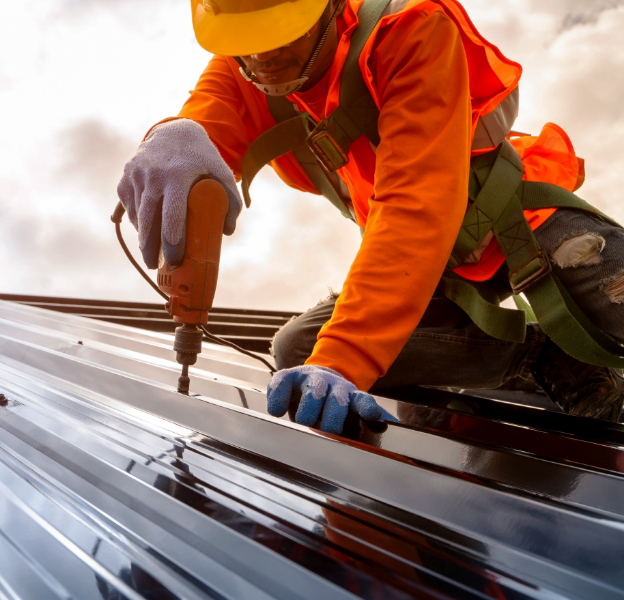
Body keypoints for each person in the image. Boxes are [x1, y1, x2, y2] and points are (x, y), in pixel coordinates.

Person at [116, 0, 624, 434]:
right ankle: (541, 356)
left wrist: (345, 360)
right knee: (298, 349)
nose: (261, 57)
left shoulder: (408, 28)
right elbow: (207, 120)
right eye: (245, 42)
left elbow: (415, 206)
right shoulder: (245, 69)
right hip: (426, 273)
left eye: (280, 34)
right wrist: (174, 137)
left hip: (515, 224)